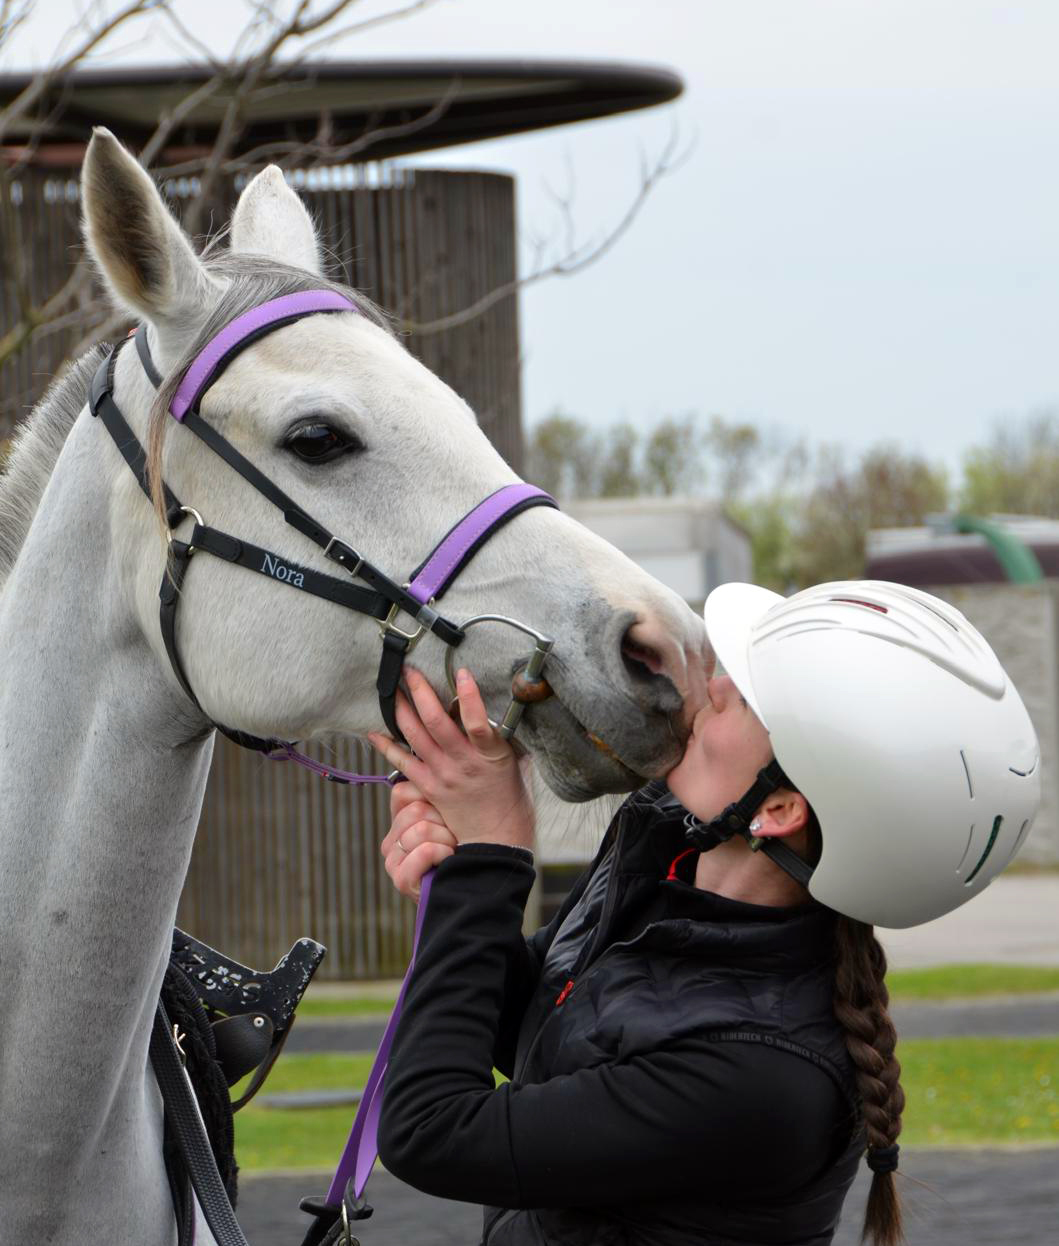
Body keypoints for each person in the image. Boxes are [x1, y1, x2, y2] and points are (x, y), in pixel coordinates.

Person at [367, 579, 1039, 1246]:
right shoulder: (661, 870)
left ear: (778, 810)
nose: (712, 687)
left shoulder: (761, 1076)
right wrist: (457, 893)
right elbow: (539, 1037)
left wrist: (491, 856)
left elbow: (432, 1131)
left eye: (744, 699)